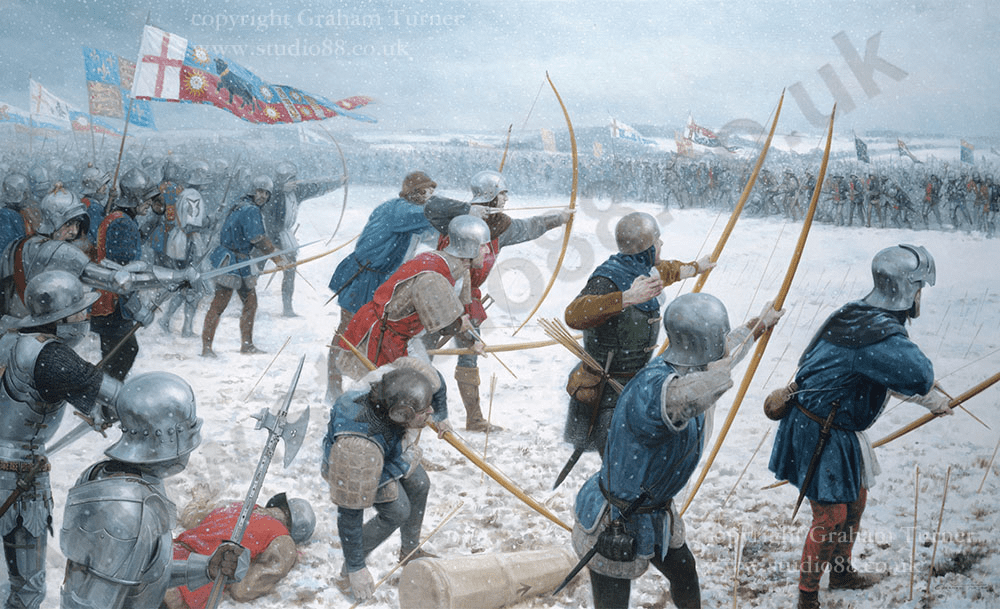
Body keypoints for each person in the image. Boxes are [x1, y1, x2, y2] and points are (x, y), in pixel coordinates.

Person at [767, 244, 950, 609]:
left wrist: (931, 399)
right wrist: (927, 391)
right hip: (818, 429)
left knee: (855, 501)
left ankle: (841, 572)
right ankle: (807, 597)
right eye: (918, 287)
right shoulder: (875, 331)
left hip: (834, 427)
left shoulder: (857, 314)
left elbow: (885, 373)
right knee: (831, 514)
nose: (920, 295)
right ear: (906, 289)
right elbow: (917, 373)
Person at [573, 293, 783, 609]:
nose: (721, 347)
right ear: (702, 343)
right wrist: (720, 372)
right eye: (717, 339)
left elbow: (723, 357)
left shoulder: (692, 366)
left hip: (656, 513)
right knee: (613, 602)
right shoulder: (654, 387)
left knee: (684, 572)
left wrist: (756, 327)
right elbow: (689, 395)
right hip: (616, 518)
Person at [60, 371, 246, 609]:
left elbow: (143, 574)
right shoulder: (128, 507)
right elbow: (95, 602)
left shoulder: (110, 477)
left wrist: (207, 567)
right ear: (168, 435)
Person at [0, 270, 123, 609]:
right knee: (26, 589)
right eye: (80, 313)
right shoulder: (51, 353)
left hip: (12, 466)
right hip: (18, 477)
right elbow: (120, 397)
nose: (85, 319)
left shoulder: (9, 337)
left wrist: (95, 409)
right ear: (62, 318)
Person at [421, 170, 572, 432]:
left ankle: (474, 418)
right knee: (424, 355)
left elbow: (529, 227)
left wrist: (558, 219)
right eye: (502, 193)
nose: (506, 199)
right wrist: (468, 210)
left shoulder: (500, 226)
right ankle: (418, 411)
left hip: (469, 301)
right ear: (490, 194)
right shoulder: (455, 220)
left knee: (470, 356)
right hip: (440, 296)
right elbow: (431, 206)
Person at [561, 211, 713, 460]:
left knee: (633, 456)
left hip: (633, 386)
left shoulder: (642, 269)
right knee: (618, 459)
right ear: (646, 248)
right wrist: (625, 298)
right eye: (657, 241)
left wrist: (697, 267)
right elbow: (573, 314)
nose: (661, 244)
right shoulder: (608, 278)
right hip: (606, 393)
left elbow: (668, 270)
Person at [322, 361, 453, 603]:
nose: (430, 411)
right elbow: (349, 511)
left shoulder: (396, 380)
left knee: (420, 484)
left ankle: (409, 552)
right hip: (355, 464)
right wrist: (356, 567)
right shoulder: (359, 447)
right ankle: (347, 574)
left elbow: (433, 378)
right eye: (425, 410)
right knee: (398, 511)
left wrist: (441, 415)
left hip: (388, 445)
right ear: (403, 413)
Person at [328, 215, 488, 387]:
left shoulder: (462, 269)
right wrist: (463, 330)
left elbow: (460, 316)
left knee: (429, 386)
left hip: (404, 336)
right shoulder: (432, 277)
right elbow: (449, 325)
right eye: (483, 246)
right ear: (469, 248)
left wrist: (472, 341)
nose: (487, 251)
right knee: (387, 390)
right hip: (383, 336)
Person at [326, 171, 438, 399]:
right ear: (415, 192)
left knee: (379, 333)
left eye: (432, 192)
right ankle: (333, 384)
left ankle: (377, 385)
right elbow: (427, 216)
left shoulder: (416, 215)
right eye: (427, 192)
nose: (430, 197)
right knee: (347, 330)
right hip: (364, 277)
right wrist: (459, 210)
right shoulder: (399, 210)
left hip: (385, 281)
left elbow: (434, 231)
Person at [164, 493, 315, 608]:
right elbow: (242, 590)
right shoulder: (282, 539)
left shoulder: (240, 506)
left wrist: (200, 499)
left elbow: (192, 518)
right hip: (191, 582)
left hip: (166, 555)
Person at [201, 176, 287, 357]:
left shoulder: (240, 205)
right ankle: (207, 347)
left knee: (250, 303)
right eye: (260, 191)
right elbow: (258, 239)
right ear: (252, 191)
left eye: (266, 193)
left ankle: (247, 345)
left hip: (241, 261)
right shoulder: (250, 210)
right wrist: (278, 258)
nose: (263, 196)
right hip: (231, 261)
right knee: (220, 303)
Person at [90, 167, 158, 380]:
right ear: (136, 198)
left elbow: (134, 241)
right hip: (113, 302)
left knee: (114, 355)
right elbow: (122, 275)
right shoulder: (122, 222)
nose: (148, 205)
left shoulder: (120, 218)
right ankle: (107, 397)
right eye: (146, 200)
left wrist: (155, 219)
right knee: (122, 353)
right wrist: (137, 310)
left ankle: (106, 395)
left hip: (109, 299)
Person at [262, 161, 343, 317]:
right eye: (289, 180)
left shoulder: (296, 192)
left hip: (285, 237)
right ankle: (244, 304)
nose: (294, 183)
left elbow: (316, 187)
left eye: (294, 179)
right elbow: (269, 222)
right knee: (254, 271)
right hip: (266, 237)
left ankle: (287, 308)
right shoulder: (271, 195)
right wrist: (274, 245)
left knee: (290, 272)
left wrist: (338, 182)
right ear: (280, 180)